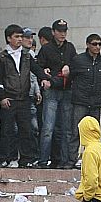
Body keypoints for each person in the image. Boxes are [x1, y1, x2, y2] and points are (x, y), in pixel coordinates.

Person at [68, 34, 101, 158]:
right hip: (80, 101)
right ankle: (71, 160)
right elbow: (71, 77)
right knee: (76, 131)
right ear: (87, 45)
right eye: (94, 44)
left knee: (93, 133)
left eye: (99, 44)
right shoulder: (78, 60)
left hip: (95, 103)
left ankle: (90, 158)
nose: (97, 47)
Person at [34, 20, 78, 169]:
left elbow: (77, 65)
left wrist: (69, 67)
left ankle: (63, 161)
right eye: (59, 31)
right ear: (53, 32)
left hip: (66, 91)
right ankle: (43, 160)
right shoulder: (46, 49)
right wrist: (44, 76)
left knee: (66, 129)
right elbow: (38, 67)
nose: (62, 34)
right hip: (52, 91)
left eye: (64, 31)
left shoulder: (70, 48)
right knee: (48, 128)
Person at [0, 24, 38, 168]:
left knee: (26, 129)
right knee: (7, 130)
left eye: (21, 36)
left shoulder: (26, 55)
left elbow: (37, 70)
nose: (20, 39)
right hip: (9, 98)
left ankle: (26, 159)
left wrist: (45, 78)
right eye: (17, 37)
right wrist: (2, 97)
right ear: (8, 38)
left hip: (24, 98)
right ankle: (6, 157)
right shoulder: (2, 57)